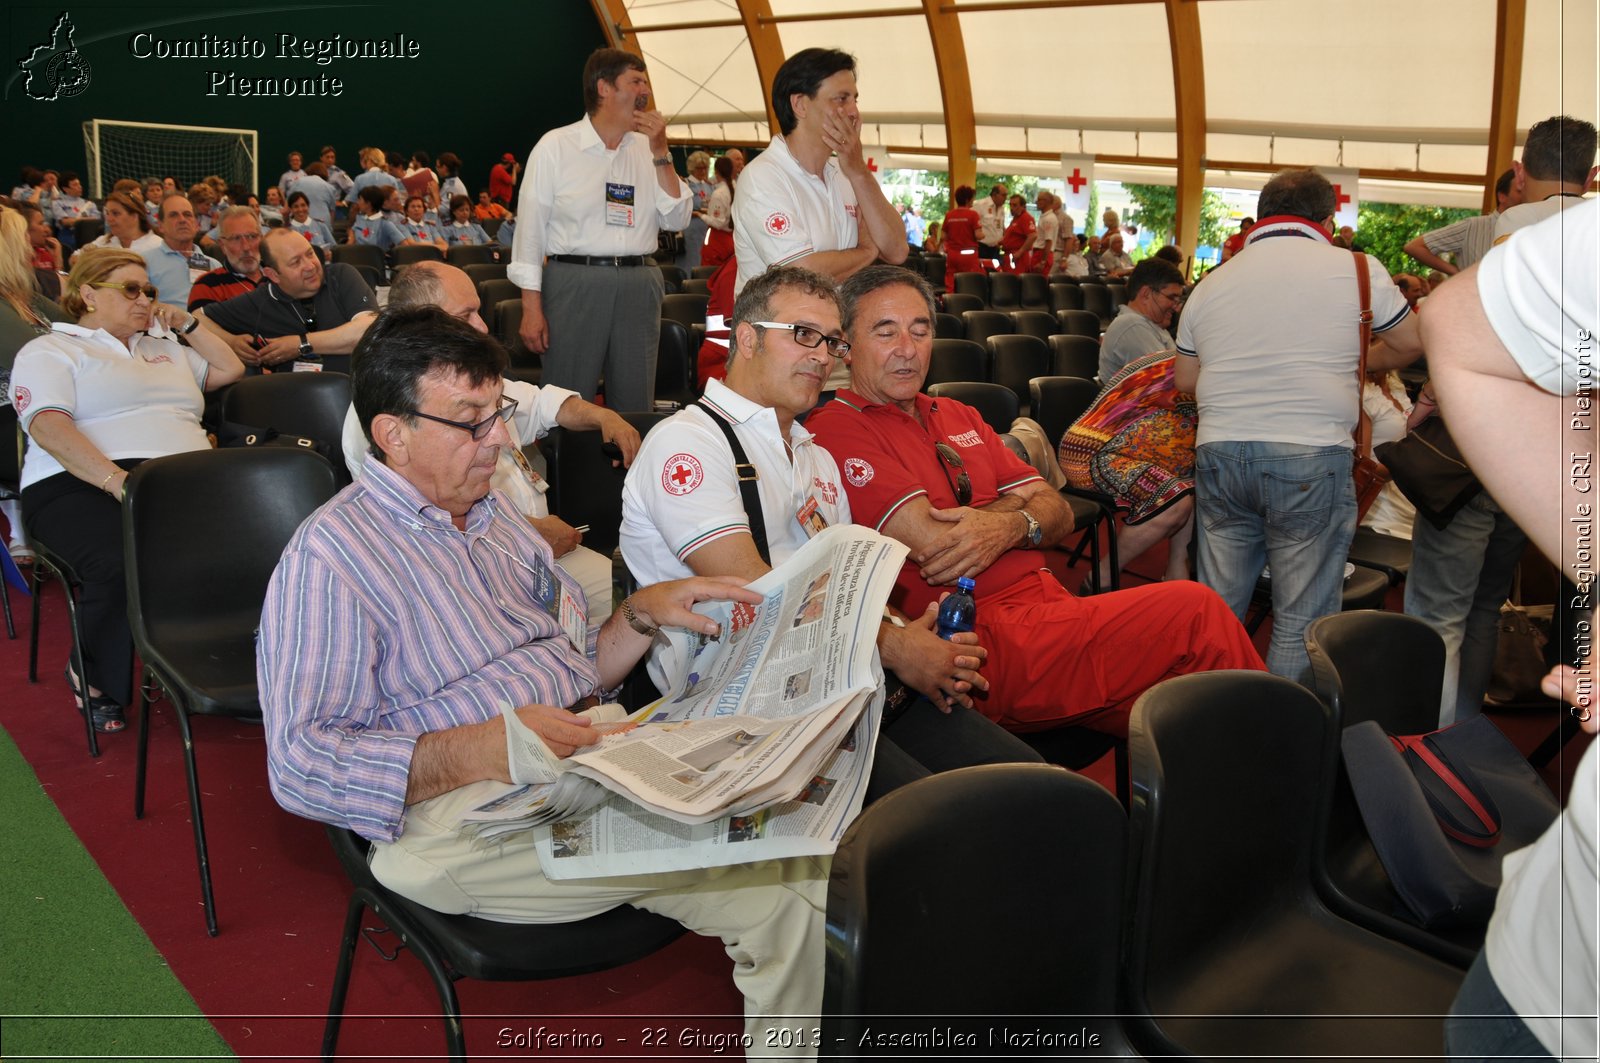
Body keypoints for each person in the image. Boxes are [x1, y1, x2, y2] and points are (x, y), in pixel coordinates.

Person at [259, 305, 826, 1053]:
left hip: (570, 749)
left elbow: (574, 667)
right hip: (453, 810)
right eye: (471, 421)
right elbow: (300, 765)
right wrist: (482, 748)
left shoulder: (486, 513)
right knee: (787, 887)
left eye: (496, 411)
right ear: (392, 434)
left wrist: (645, 615)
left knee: (801, 860)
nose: (499, 438)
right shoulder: (329, 561)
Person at [621, 264, 1042, 789]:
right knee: (941, 820)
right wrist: (895, 647)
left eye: (831, 341)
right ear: (747, 339)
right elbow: (757, 592)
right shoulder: (687, 443)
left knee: (1028, 786)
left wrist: (904, 636)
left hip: (841, 678)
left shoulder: (811, 453)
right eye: (803, 335)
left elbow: (849, 582)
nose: (822, 355)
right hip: (745, 705)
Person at [807, 265, 1265, 735]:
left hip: (1053, 613)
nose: (907, 348)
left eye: (920, 331)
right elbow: (940, 545)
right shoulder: (837, 428)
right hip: (984, 638)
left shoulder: (957, 413)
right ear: (846, 345)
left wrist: (1007, 525)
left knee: (1196, 713)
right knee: (1198, 612)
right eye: (886, 332)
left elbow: (1059, 509)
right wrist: (1024, 515)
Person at [1419, 197, 1598, 1063]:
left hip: (1550, 974)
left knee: (1452, 609)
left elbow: (1445, 324)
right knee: (1474, 605)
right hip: (1554, 977)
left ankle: (1452, 735)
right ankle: (1459, 733)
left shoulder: (1509, 225)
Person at [1174, 168, 1424, 683]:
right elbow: (1409, 345)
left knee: (1219, 610)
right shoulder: (1357, 269)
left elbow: (1185, 378)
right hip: (1309, 453)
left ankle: (1208, 728)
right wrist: (1346, 361)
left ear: (1262, 217)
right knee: (1300, 620)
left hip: (1220, 450)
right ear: (1326, 220)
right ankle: (1274, 745)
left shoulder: (1213, 281)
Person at [1403, 115, 1595, 725]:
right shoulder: (1585, 234)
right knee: (1487, 603)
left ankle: (1428, 754)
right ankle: (1465, 736)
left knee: (1439, 610)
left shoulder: (1501, 231)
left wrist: (1431, 400)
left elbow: (1457, 327)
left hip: (1476, 448)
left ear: (1518, 171)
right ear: (1590, 176)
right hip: (1555, 463)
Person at [7, 248, 244, 731]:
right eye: (130, 289)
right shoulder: (51, 349)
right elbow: (49, 426)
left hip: (182, 481)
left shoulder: (165, 347)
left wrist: (188, 325)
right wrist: (117, 481)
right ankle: (91, 672)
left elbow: (231, 369)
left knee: (254, 547)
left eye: (150, 291)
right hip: (79, 482)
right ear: (88, 294)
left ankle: (219, 662)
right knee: (119, 560)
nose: (144, 300)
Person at [339, 260, 638, 634]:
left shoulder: (477, 383)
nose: (482, 326)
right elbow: (420, 523)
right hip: (469, 568)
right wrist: (530, 533)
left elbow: (546, 403)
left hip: (541, 552)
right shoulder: (376, 419)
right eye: (466, 314)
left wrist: (604, 417)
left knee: (633, 605)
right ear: (419, 324)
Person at [510, 47, 690, 412]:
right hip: (575, 280)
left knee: (636, 400)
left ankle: (629, 468)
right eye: (635, 81)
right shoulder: (556, 146)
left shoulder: (648, 149)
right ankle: (565, 467)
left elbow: (678, 218)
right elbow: (529, 232)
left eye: (645, 82)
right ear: (604, 88)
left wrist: (661, 151)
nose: (645, 92)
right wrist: (531, 307)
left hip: (641, 282)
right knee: (566, 397)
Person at [731, 48, 909, 321]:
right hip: (778, 344)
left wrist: (860, 173)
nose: (853, 112)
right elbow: (799, 275)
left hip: (835, 335)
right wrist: (866, 250)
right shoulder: (763, 177)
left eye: (855, 99)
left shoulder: (846, 172)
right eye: (841, 99)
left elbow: (896, 249)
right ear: (800, 105)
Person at [1059, 351, 1198, 588]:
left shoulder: (1193, 362)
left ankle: (1177, 572)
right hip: (1091, 454)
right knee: (1176, 499)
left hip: (1134, 455)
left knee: (1194, 480)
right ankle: (1101, 577)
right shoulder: (1179, 371)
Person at [196, 228, 375, 374]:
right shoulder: (259, 302)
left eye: (310, 253)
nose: (310, 266)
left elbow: (369, 331)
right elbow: (197, 318)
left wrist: (300, 344)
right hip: (294, 403)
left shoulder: (341, 276)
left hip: (358, 393)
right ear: (272, 275)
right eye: (295, 262)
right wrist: (231, 341)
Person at [0, 206, 71, 562]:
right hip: (10, 430)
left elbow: (80, 330)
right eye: (23, 238)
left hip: (38, 415)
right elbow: (33, 355)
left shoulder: (24, 298)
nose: (31, 247)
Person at [1402, 169, 1519, 277]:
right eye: (1519, 191)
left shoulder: (1532, 229)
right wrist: (1457, 273)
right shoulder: (1473, 226)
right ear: (1502, 196)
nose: (1528, 196)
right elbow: (1414, 247)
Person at [1098, 256, 1182, 382]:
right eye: (1171, 298)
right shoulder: (1131, 325)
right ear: (1146, 294)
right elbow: (1168, 381)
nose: (1177, 308)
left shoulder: (1153, 327)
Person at [139, 195, 220, 309]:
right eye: (173, 215)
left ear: (197, 225)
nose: (182, 220)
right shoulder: (144, 263)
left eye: (187, 215)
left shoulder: (215, 266)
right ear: (160, 226)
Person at [186, 206, 264, 314]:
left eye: (252, 236)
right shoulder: (207, 286)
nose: (246, 247)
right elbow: (200, 329)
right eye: (236, 238)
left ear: (261, 238)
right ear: (222, 246)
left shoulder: (280, 277)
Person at [70, 190, 160, 262]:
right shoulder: (104, 241)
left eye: (115, 213)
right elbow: (74, 259)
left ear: (134, 216)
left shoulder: (157, 246)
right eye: (107, 213)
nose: (109, 219)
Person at [940, 184, 982, 292]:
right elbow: (978, 235)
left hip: (952, 254)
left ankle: (950, 303)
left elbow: (943, 236)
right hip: (969, 256)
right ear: (968, 200)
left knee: (951, 280)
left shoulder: (949, 215)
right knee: (969, 281)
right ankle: (967, 304)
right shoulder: (973, 215)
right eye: (972, 198)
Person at [701, 155, 736, 269]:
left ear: (716, 171)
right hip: (733, 238)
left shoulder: (719, 193)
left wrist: (700, 215)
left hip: (718, 240)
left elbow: (718, 223)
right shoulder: (736, 187)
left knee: (709, 273)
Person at [349, 187, 407, 251]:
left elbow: (405, 245)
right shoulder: (359, 220)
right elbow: (351, 242)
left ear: (368, 203)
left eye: (360, 199)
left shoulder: (385, 224)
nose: (358, 202)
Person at [49, 172, 99, 242]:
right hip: (68, 236)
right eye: (75, 185)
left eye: (79, 184)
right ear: (65, 189)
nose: (80, 187)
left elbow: (96, 220)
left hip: (88, 235)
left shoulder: (89, 204)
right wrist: (87, 219)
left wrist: (75, 220)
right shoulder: (57, 203)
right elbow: (66, 222)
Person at [997, 193, 1035, 274]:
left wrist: (1020, 252)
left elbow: (1033, 236)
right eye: (1010, 205)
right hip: (1009, 255)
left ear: (1022, 206)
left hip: (1017, 258)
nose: (1011, 208)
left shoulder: (1026, 218)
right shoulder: (1016, 219)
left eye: (1015, 205)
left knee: (1013, 282)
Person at [975, 183, 1006, 261]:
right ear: (995, 194)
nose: (1005, 198)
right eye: (1003, 195)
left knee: (995, 272)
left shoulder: (1001, 209)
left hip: (996, 249)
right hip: (982, 248)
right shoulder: (980, 205)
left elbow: (1001, 227)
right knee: (982, 272)